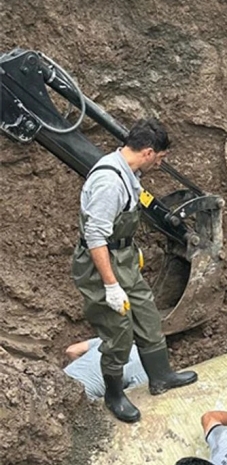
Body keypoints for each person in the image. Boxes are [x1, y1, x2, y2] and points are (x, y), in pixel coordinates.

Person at [72, 118, 197, 424]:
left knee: (147, 314)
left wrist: (130, 249)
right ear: (149, 152)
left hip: (122, 257)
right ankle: (114, 396)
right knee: (118, 332)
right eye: (161, 158)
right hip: (100, 265)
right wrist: (111, 286)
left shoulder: (129, 173)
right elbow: (95, 237)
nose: (160, 164)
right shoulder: (109, 182)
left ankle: (161, 376)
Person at [62, 337, 148, 401]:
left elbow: (71, 350)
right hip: (80, 397)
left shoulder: (112, 339)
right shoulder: (143, 367)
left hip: (59, 382)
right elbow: (133, 399)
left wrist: (85, 369)